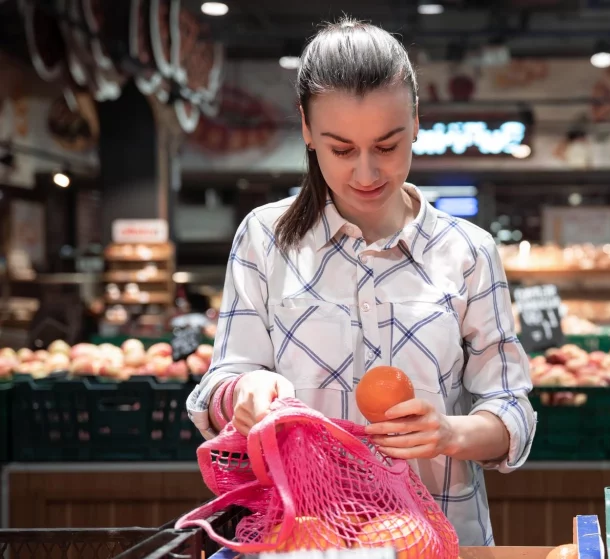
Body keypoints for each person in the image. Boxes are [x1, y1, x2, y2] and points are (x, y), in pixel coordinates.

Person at [186, 18, 537, 546]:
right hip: (305, 541)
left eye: (388, 145)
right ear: (307, 129)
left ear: (416, 122)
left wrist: (449, 432)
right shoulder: (265, 238)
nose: (367, 173)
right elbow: (219, 386)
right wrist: (244, 391)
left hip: (439, 541)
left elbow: (512, 410)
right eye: (342, 149)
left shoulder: (468, 251)